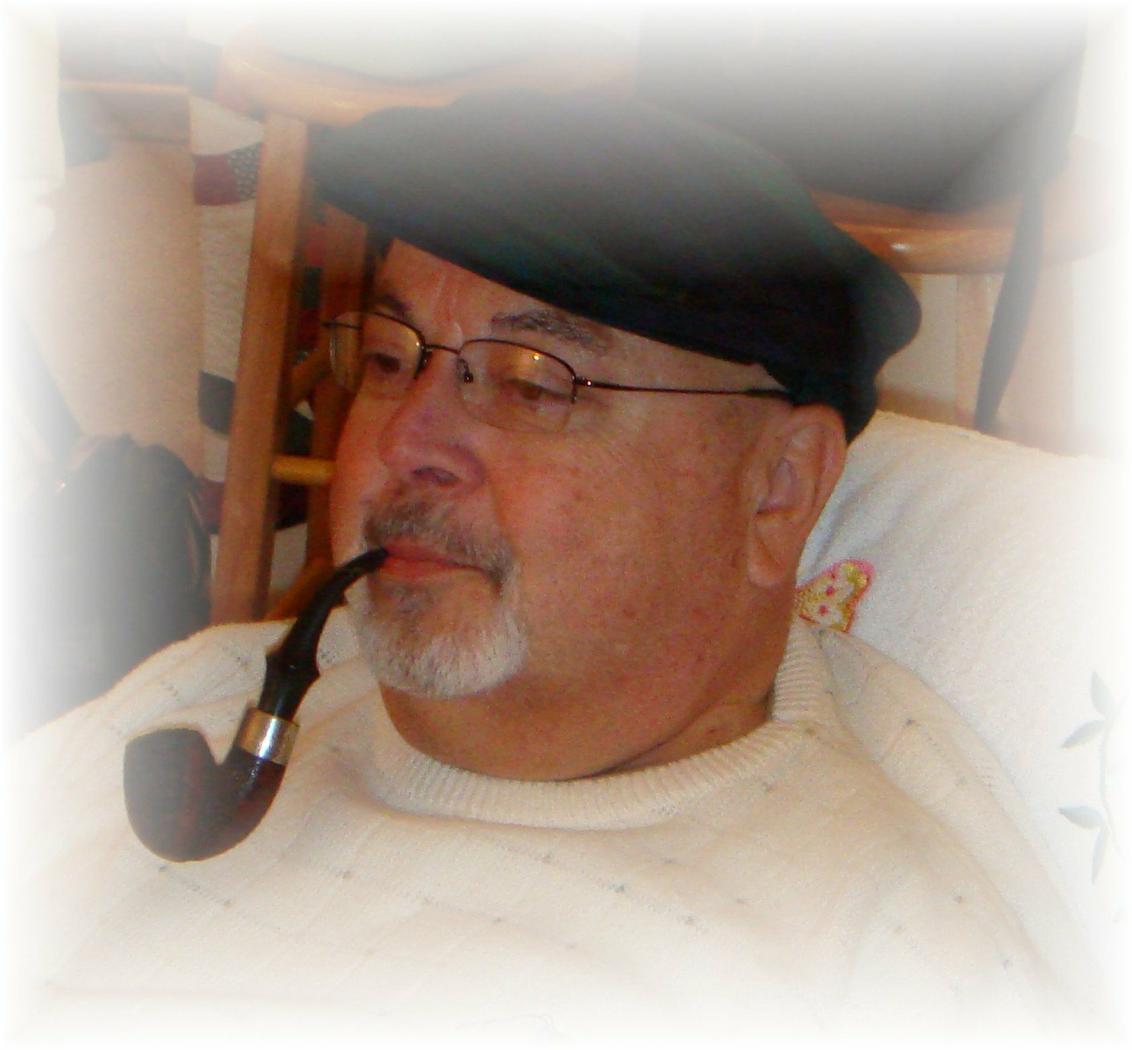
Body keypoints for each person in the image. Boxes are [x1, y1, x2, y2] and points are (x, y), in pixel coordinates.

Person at [8, 90, 1107, 1045]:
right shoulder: (205, 704)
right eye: (388, 359)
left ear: (776, 489)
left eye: (534, 383)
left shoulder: (880, 968)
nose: (406, 441)